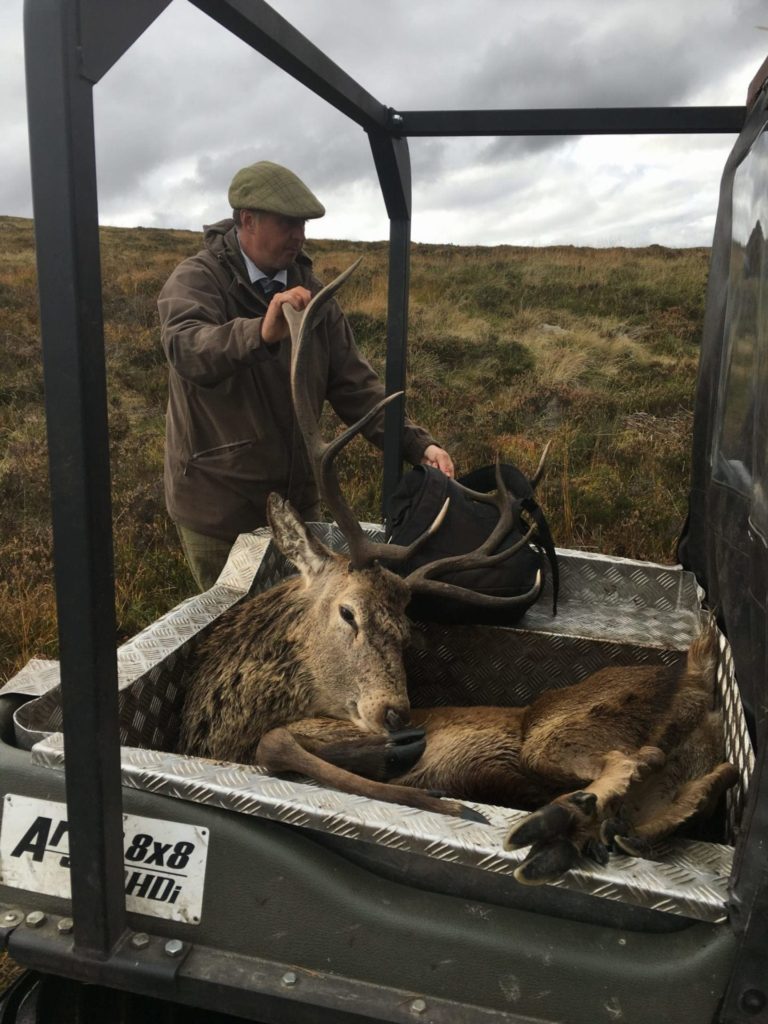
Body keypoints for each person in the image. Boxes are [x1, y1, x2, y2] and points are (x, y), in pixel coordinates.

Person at [158, 160, 454, 591]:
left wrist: (417, 443)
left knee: (299, 633)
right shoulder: (197, 280)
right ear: (247, 220)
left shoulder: (316, 298)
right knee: (236, 635)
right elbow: (187, 349)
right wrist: (260, 332)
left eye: (303, 224)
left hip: (298, 507)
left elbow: (355, 385)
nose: (299, 236)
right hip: (220, 508)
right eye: (287, 223)